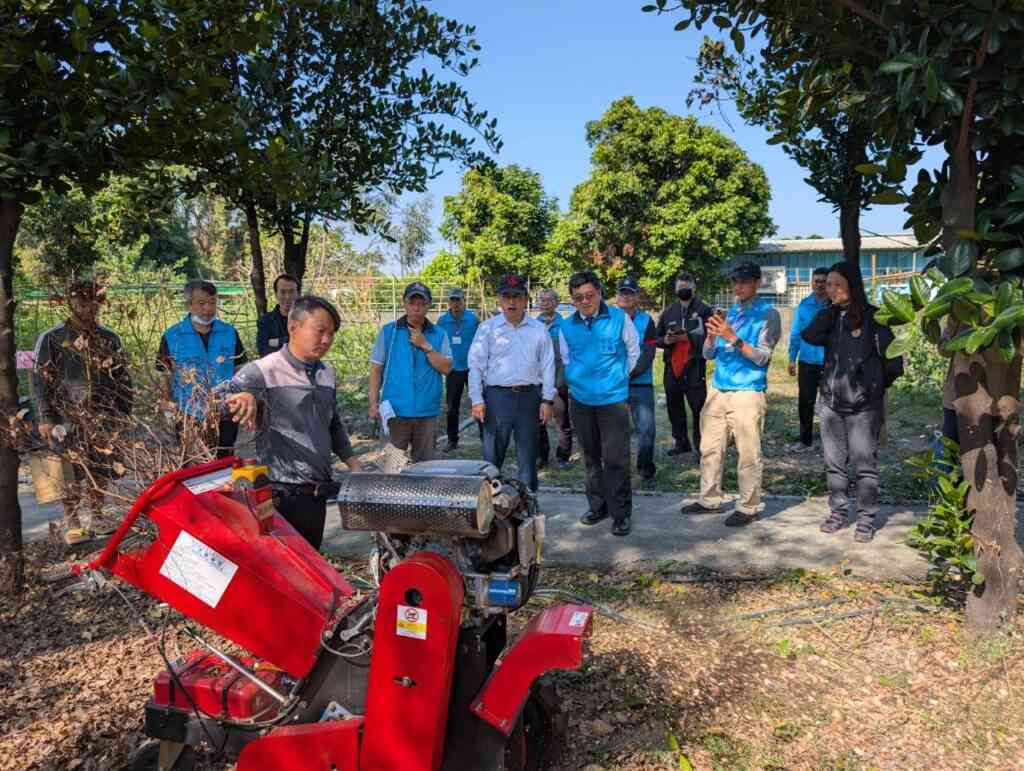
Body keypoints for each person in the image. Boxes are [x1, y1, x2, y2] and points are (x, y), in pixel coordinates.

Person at [226, 296, 361, 549]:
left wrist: (355, 466)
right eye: (320, 331)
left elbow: (332, 424)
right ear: (293, 327)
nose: (326, 340)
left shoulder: (326, 373)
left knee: (310, 570)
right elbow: (215, 401)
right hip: (277, 496)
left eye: (331, 334)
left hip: (316, 494)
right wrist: (241, 395)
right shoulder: (263, 371)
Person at [801, 262, 903, 543]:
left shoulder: (875, 318)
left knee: (864, 464)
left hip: (864, 408)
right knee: (834, 465)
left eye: (836, 284)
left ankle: (866, 519)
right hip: (832, 405)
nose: (830, 289)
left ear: (852, 286)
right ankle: (837, 513)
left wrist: (873, 389)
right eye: (828, 284)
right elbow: (809, 335)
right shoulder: (832, 317)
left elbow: (894, 362)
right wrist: (830, 310)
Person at [681, 262, 781, 527]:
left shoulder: (768, 314)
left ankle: (748, 506)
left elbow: (762, 358)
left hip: (747, 392)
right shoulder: (730, 312)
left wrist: (732, 337)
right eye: (735, 282)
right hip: (718, 389)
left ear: (757, 283)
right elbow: (707, 354)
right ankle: (710, 499)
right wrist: (713, 337)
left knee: (748, 452)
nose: (738, 287)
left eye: (744, 282)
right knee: (709, 448)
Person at [33, 280, 133, 545]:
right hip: (66, 417)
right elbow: (40, 379)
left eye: (92, 302)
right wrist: (45, 416)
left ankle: (98, 516)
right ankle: (73, 521)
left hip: (103, 415)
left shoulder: (109, 338)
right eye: (80, 302)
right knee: (67, 470)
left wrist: (123, 413)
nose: (86, 308)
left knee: (100, 466)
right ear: (70, 303)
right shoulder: (53, 338)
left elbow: (123, 378)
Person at [559, 271, 640, 536]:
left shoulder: (619, 318)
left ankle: (621, 514)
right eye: (578, 298)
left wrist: (618, 378)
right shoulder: (567, 326)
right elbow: (567, 359)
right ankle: (598, 506)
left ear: (599, 292)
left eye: (589, 295)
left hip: (613, 401)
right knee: (590, 457)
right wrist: (579, 381)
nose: (584, 301)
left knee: (615, 459)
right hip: (581, 401)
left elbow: (633, 351)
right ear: (573, 300)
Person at [468, 275, 554, 492]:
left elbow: (548, 365)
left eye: (517, 297)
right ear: (499, 300)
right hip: (497, 399)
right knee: (491, 459)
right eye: (507, 297)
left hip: (529, 399)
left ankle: (527, 506)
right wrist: (477, 399)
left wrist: (547, 399)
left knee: (528, 458)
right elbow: (475, 364)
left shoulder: (538, 329)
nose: (512, 302)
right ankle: (489, 508)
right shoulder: (488, 328)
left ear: (526, 300)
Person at [157, 279, 247, 457]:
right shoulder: (172, 336)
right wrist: (169, 409)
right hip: (188, 416)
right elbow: (163, 376)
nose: (208, 309)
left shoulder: (229, 333)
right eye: (201, 303)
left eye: (212, 302)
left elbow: (241, 370)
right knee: (195, 469)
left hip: (225, 413)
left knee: (224, 465)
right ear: (189, 305)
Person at [368, 282, 452, 462]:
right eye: (412, 303)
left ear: (429, 306)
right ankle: (390, 490)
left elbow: (446, 368)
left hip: (427, 411)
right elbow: (376, 368)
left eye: (421, 303)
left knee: (425, 468)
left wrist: (425, 345)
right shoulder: (389, 332)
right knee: (390, 467)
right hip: (395, 411)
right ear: (404, 304)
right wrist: (373, 403)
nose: (416, 308)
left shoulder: (439, 334)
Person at [656, 272, 713, 459]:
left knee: (698, 408)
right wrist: (665, 339)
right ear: (675, 290)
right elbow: (657, 338)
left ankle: (700, 447)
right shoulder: (668, 312)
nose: (684, 291)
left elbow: (711, 337)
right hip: (672, 367)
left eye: (687, 287)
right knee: (674, 407)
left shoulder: (704, 310)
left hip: (694, 366)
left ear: (693, 288)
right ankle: (681, 442)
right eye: (680, 288)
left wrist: (688, 337)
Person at [616, 277, 658, 481]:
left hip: (641, 382)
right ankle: (618, 470)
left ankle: (645, 469)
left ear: (637, 296)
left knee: (646, 429)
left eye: (630, 293)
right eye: (622, 292)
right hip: (615, 385)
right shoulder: (609, 319)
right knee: (616, 431)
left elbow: (649, 351)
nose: (626, 296)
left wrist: (632, 373)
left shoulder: (646, 320)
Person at [787, 267, 829, 451]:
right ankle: (805, 441)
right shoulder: (804, 305)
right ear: (812, 282)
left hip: (829, 362)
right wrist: (791, 358)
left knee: (830, 403)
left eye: (822, 281)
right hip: (806, 361)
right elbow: (796, 333)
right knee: (805, 402)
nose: (819, 284)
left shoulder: (834, 305)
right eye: (816, 281)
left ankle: (832, 441)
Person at [436, 287, 480, 452]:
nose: (455, 303)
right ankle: (452, 440)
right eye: (452, 300)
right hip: (453, 370)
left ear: (463, 301)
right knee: (452, 407)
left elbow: (481, 342)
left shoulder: (473, 320)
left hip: (472, 368)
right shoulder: (442, 321)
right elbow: (437, 343)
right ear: (449, 302)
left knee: (479, 402)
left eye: (458, 300)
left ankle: (485, 438)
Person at [536, 288, 573, 469]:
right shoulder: (534, 325)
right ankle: (541, 457)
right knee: (539, 420)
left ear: (556, 303)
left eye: (549, 300)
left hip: (559, 379)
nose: (545, 303)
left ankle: (562, 456)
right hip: (539, 380)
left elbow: (567, 356)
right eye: (542, 300)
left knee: (561, 419)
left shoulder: (565, 325)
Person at [256, 274, 301, 357]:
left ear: (298, 294)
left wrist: (277, 342)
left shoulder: (306, 320)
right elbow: (264, 352)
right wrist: (291, 341)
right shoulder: (265, 322)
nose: (287, 297)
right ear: (276, 294)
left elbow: (308, 349)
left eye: (291, 292)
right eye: (283, 292)